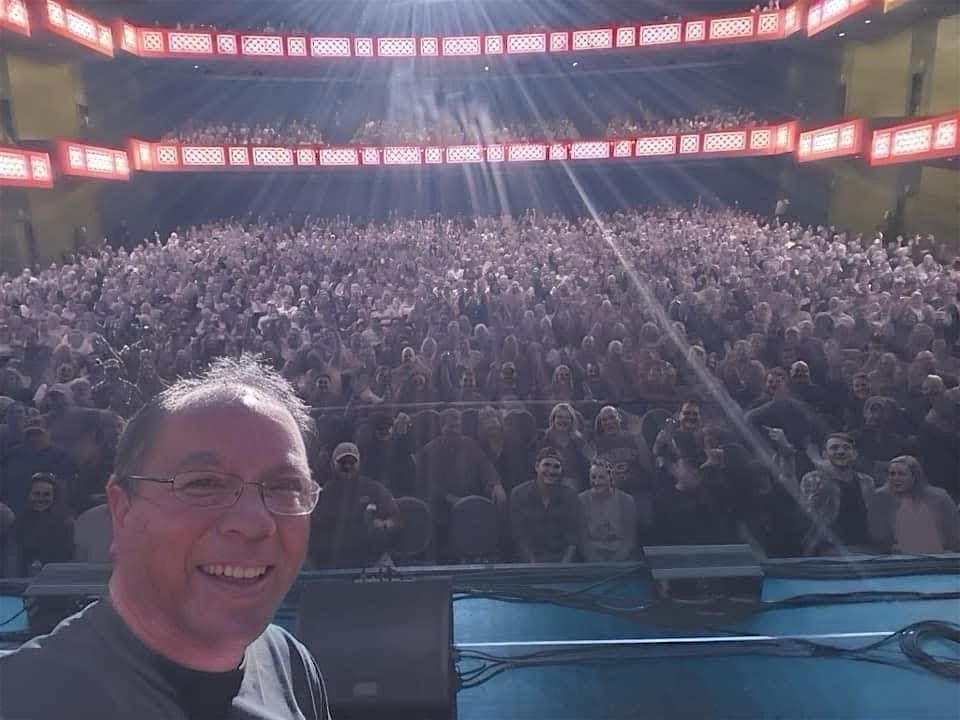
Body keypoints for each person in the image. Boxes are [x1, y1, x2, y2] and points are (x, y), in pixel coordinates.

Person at [0, 356, 331, 719]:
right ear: (121, 510)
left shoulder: (288, 663)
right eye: (204, 483)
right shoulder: (21, 699)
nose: (254, 523)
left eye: (285, 487)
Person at [309, 441, 401, 569]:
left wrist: (384, 525)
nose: (347, 466)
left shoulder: (374, 489)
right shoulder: (323, 494)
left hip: (373, 561)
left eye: (352, 462)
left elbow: (396, 519)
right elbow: (312, 530)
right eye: (342, 462)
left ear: (359, 464)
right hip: (332, 565)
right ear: (333, 464)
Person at [869, 455, 960, 554]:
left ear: (915, 477)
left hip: (939, 555)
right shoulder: (880, 497)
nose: (896, 478)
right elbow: (877, 536)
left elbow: (954, 534)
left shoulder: (939, 497)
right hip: (894, 556)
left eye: (902, 474)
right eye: (892, 474)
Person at [509, 447, 579, 563]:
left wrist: (563, 567)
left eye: (556, 467)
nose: (551, 471)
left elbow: (573, 539)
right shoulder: (519, 494)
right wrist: (535, 567)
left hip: (561, 562)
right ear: (537, 466)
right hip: (528, 562)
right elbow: (520, 537)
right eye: (546, 465)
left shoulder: (570, 496)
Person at [578, 459, 636, 561]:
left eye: (601, 477)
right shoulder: (581, 500)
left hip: (620, 554)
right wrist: (596, 561)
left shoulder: (626, 500)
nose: (596, 482)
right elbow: (582, 540)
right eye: (593, 477)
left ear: (611, 478)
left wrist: (616, 561)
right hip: (591, 555)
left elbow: (630, 540)